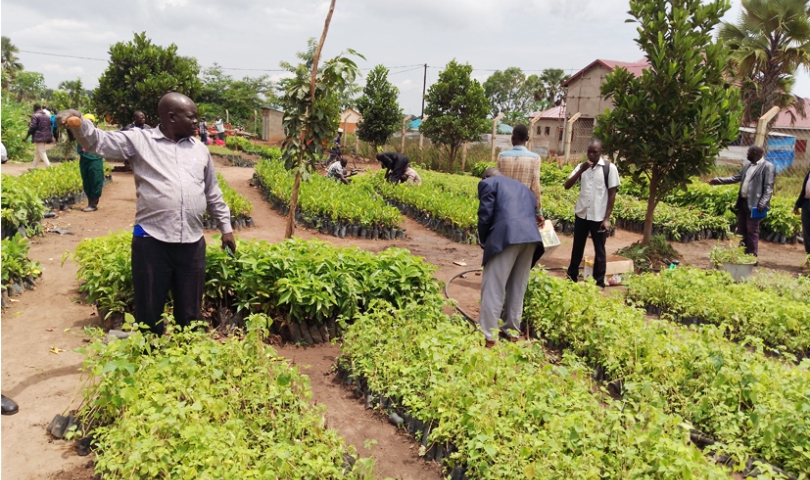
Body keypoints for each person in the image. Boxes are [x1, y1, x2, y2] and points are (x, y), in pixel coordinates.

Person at [58, 92, 236, 336]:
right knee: (149, 313)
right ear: (171, 117)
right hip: (152, 241)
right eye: (191, 117)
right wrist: (79, 121)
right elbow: (99, 142)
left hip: (192, 242)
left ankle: (187, 352)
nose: (196, 122)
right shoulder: (140, 140)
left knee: (190, 313)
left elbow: (212, 192)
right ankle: (149, 353)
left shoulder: (200, 150)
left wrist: (226, 228)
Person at [477, 168, 544, 348]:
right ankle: (512, 332)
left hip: (507, 236)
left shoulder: (488, 183)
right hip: (531, 238)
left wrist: (484, 240)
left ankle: (488, 336)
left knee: (494, 286)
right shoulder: (524, 189)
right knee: (518, 286)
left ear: (485, 178)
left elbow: (485, 214)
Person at [564, 139, 620, 288]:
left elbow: (612, 195)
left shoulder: (609, 168)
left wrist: (606, 218)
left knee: (599, 250)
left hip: (598, 216)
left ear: (601, 152)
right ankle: (571, 277)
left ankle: (598, 282)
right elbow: (567, 185)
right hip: (582, 214)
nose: (591, 155)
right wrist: (581, 170)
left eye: (594, 152)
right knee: (577, 247)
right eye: (589, 151)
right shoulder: (581, 167)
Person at [708, 145, 774, 257]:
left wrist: (763, 202)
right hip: (743, 202)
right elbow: (735, 178)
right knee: (741, 229)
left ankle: (752, 256)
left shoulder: (768, 167)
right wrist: (717, 180)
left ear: (754, 153)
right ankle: (741, 254)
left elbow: (769, 187)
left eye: (748, 152)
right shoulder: (748, 165)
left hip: (756, 205)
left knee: (752, 230)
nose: (747, 154)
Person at [497, 124, 544, 228]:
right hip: (524, 207)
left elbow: (497, 183)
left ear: (512, 138)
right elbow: (535, 188)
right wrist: (539, 212)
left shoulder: (502, 156)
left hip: (504, 206)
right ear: (527, 139)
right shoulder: (535, 158)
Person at [77, 114, 105, 212]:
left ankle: (93, 204)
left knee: (95, 180)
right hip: (84, 160)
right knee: (87, 181)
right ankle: (90, 203)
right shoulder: (80, 134)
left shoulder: (98, 133)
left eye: (90, 122)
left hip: (95, 160)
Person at [23, 104, 52, 169]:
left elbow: (32, 127)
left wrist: (26, 137)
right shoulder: (46, 116)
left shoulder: (35, 115)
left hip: (39, 136)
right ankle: (33, 167)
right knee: (38, 153)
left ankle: (49, 167)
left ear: (34, 108)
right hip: (46, 136)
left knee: (41, 151)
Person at [795, 168, 810, 255]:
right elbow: (803, 191)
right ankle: (808, 255)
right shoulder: (809, 174)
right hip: (806, 204)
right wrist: (797, 205)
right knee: (806, 232)